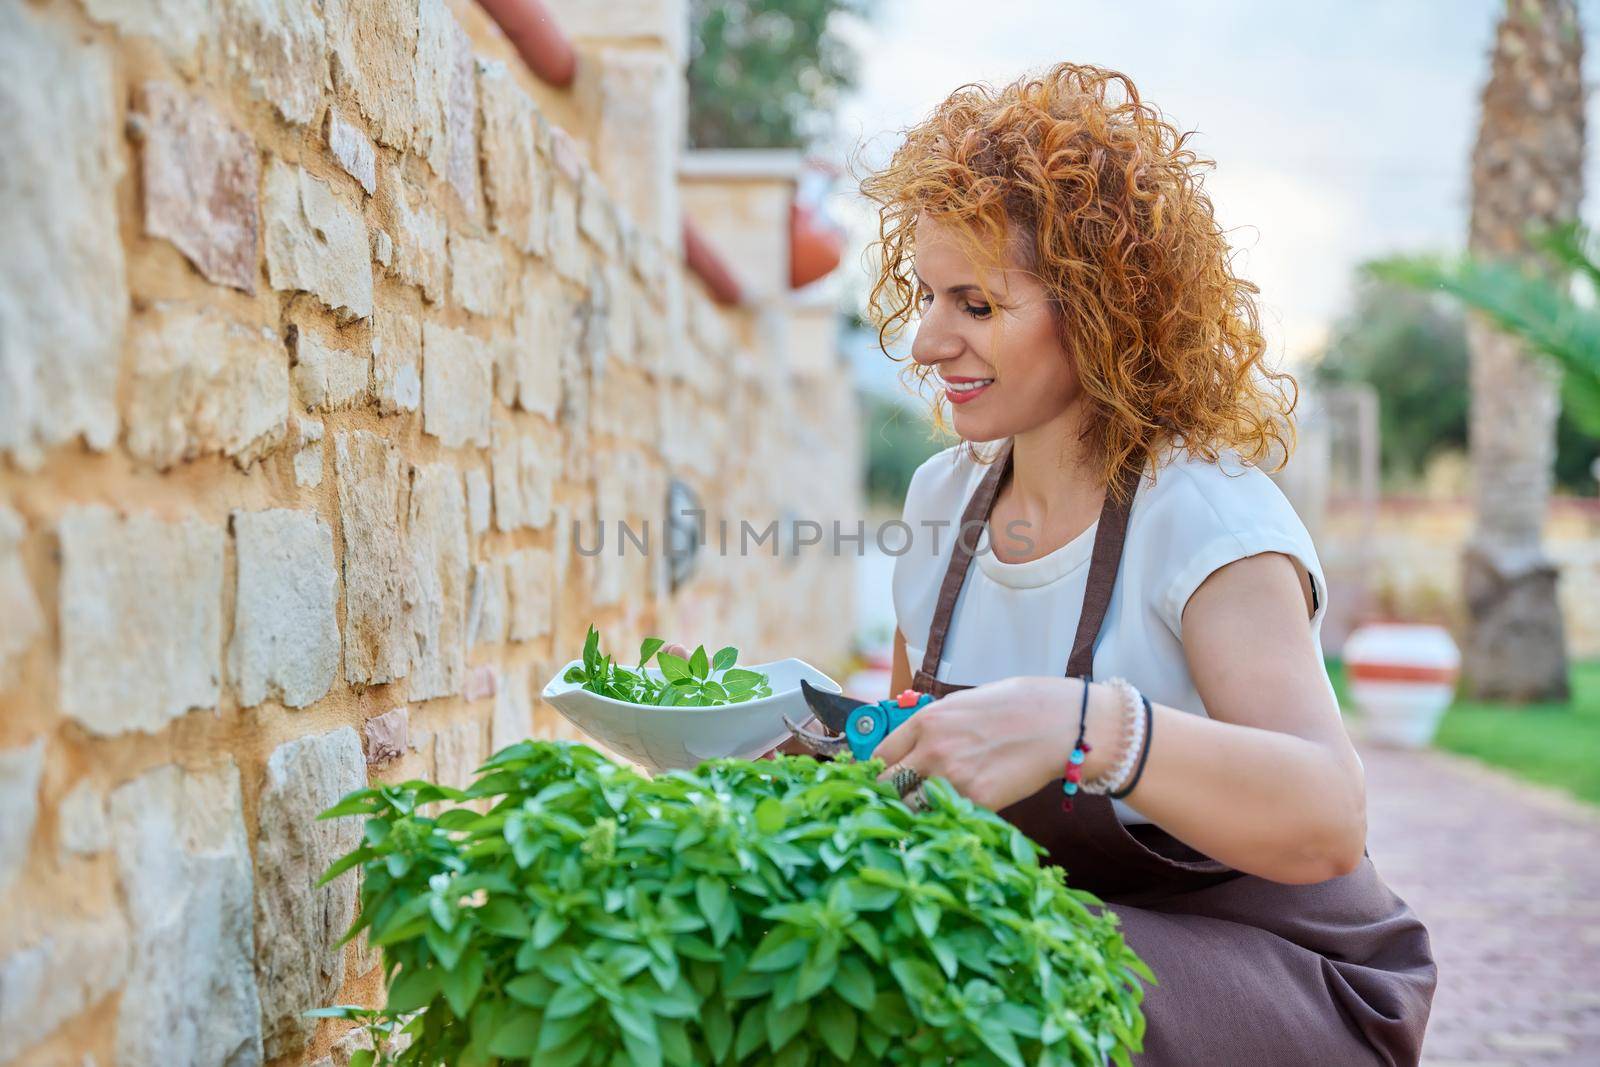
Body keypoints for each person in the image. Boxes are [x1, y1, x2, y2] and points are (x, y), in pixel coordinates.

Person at [849, 62, 1436, 1065]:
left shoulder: (1202, 514)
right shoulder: (941, 503)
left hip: (1284, 977)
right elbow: (911, 777)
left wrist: (1084, 727)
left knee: (978, 969)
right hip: (1058, 953)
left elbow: (1328, 816)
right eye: (928, 294)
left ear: (1096, 308)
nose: (931, 336)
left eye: (976, 304)